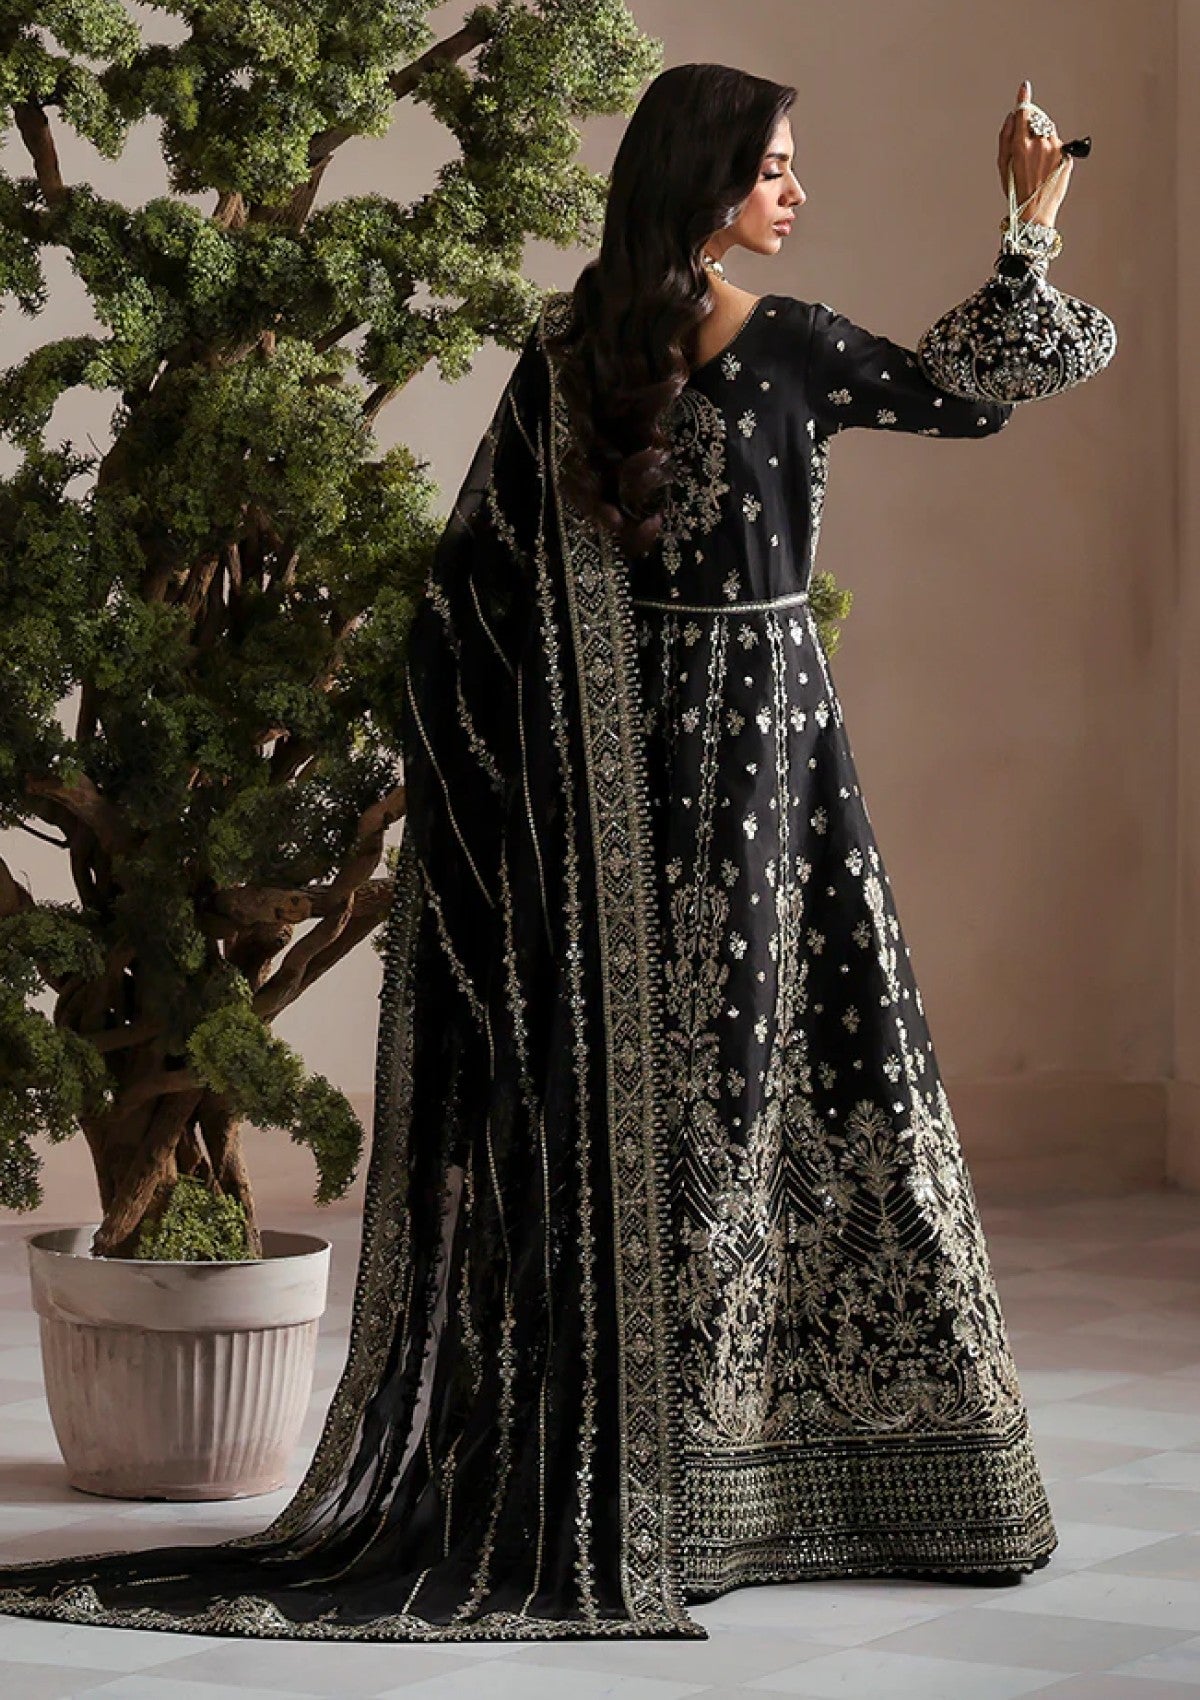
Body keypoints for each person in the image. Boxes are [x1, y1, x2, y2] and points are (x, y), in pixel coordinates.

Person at [0, 63, 1090, 1643]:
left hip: (691, 789)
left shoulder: (674, 351)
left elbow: (472, 603)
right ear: (705, 183)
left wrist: (1025, 225)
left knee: (741, 1093)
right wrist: (1029, 237)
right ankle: (692, 1493)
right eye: (775, 170)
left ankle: (743, 1478)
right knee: (711, 1103)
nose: (797, 195)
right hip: (689, 786)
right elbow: (955, 394)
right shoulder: (657, 354)